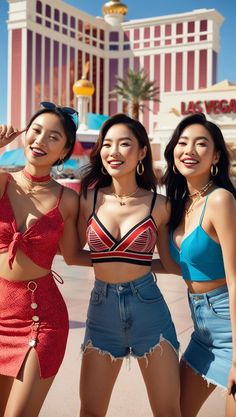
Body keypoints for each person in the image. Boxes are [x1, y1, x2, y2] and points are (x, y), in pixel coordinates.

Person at [77, 113, 182, 417]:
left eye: (125, 144)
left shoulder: (159, 205)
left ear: (142, 152)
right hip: (101, 311)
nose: (114, 151)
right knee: (91, 411)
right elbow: (71, 255)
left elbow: (168, 262)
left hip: (149, 308)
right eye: (107, 144)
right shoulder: (88, 199)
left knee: (167, 411)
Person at [0, 102, 90, 417]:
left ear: (64, 150)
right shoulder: (3, 183)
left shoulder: (68, 200)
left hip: (41, 321)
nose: (41, 141)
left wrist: (129, 262)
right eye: (36, 131)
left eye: (54, 137)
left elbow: (74, 254)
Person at [162, 113, 236, 417]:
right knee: (174, 410)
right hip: (202, 332)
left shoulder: (220, 200)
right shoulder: (179, 203)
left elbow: (235, 279)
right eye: (183, 143)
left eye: (201, 144)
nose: (189, 150)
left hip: (230, 329)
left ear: (216, 155)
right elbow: (179, 267)